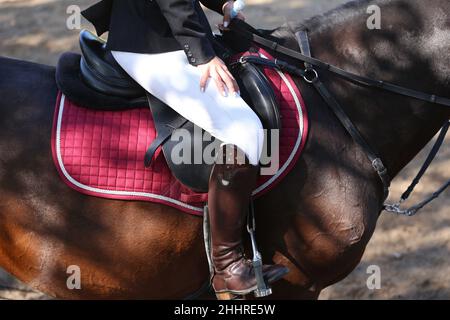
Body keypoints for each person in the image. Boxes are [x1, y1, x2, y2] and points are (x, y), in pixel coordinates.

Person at [82, 0, 288, 299]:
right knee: (245, 132)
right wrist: (202, 56)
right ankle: (227, 267)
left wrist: (225, 5)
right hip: (151, 46)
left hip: (171, 36)